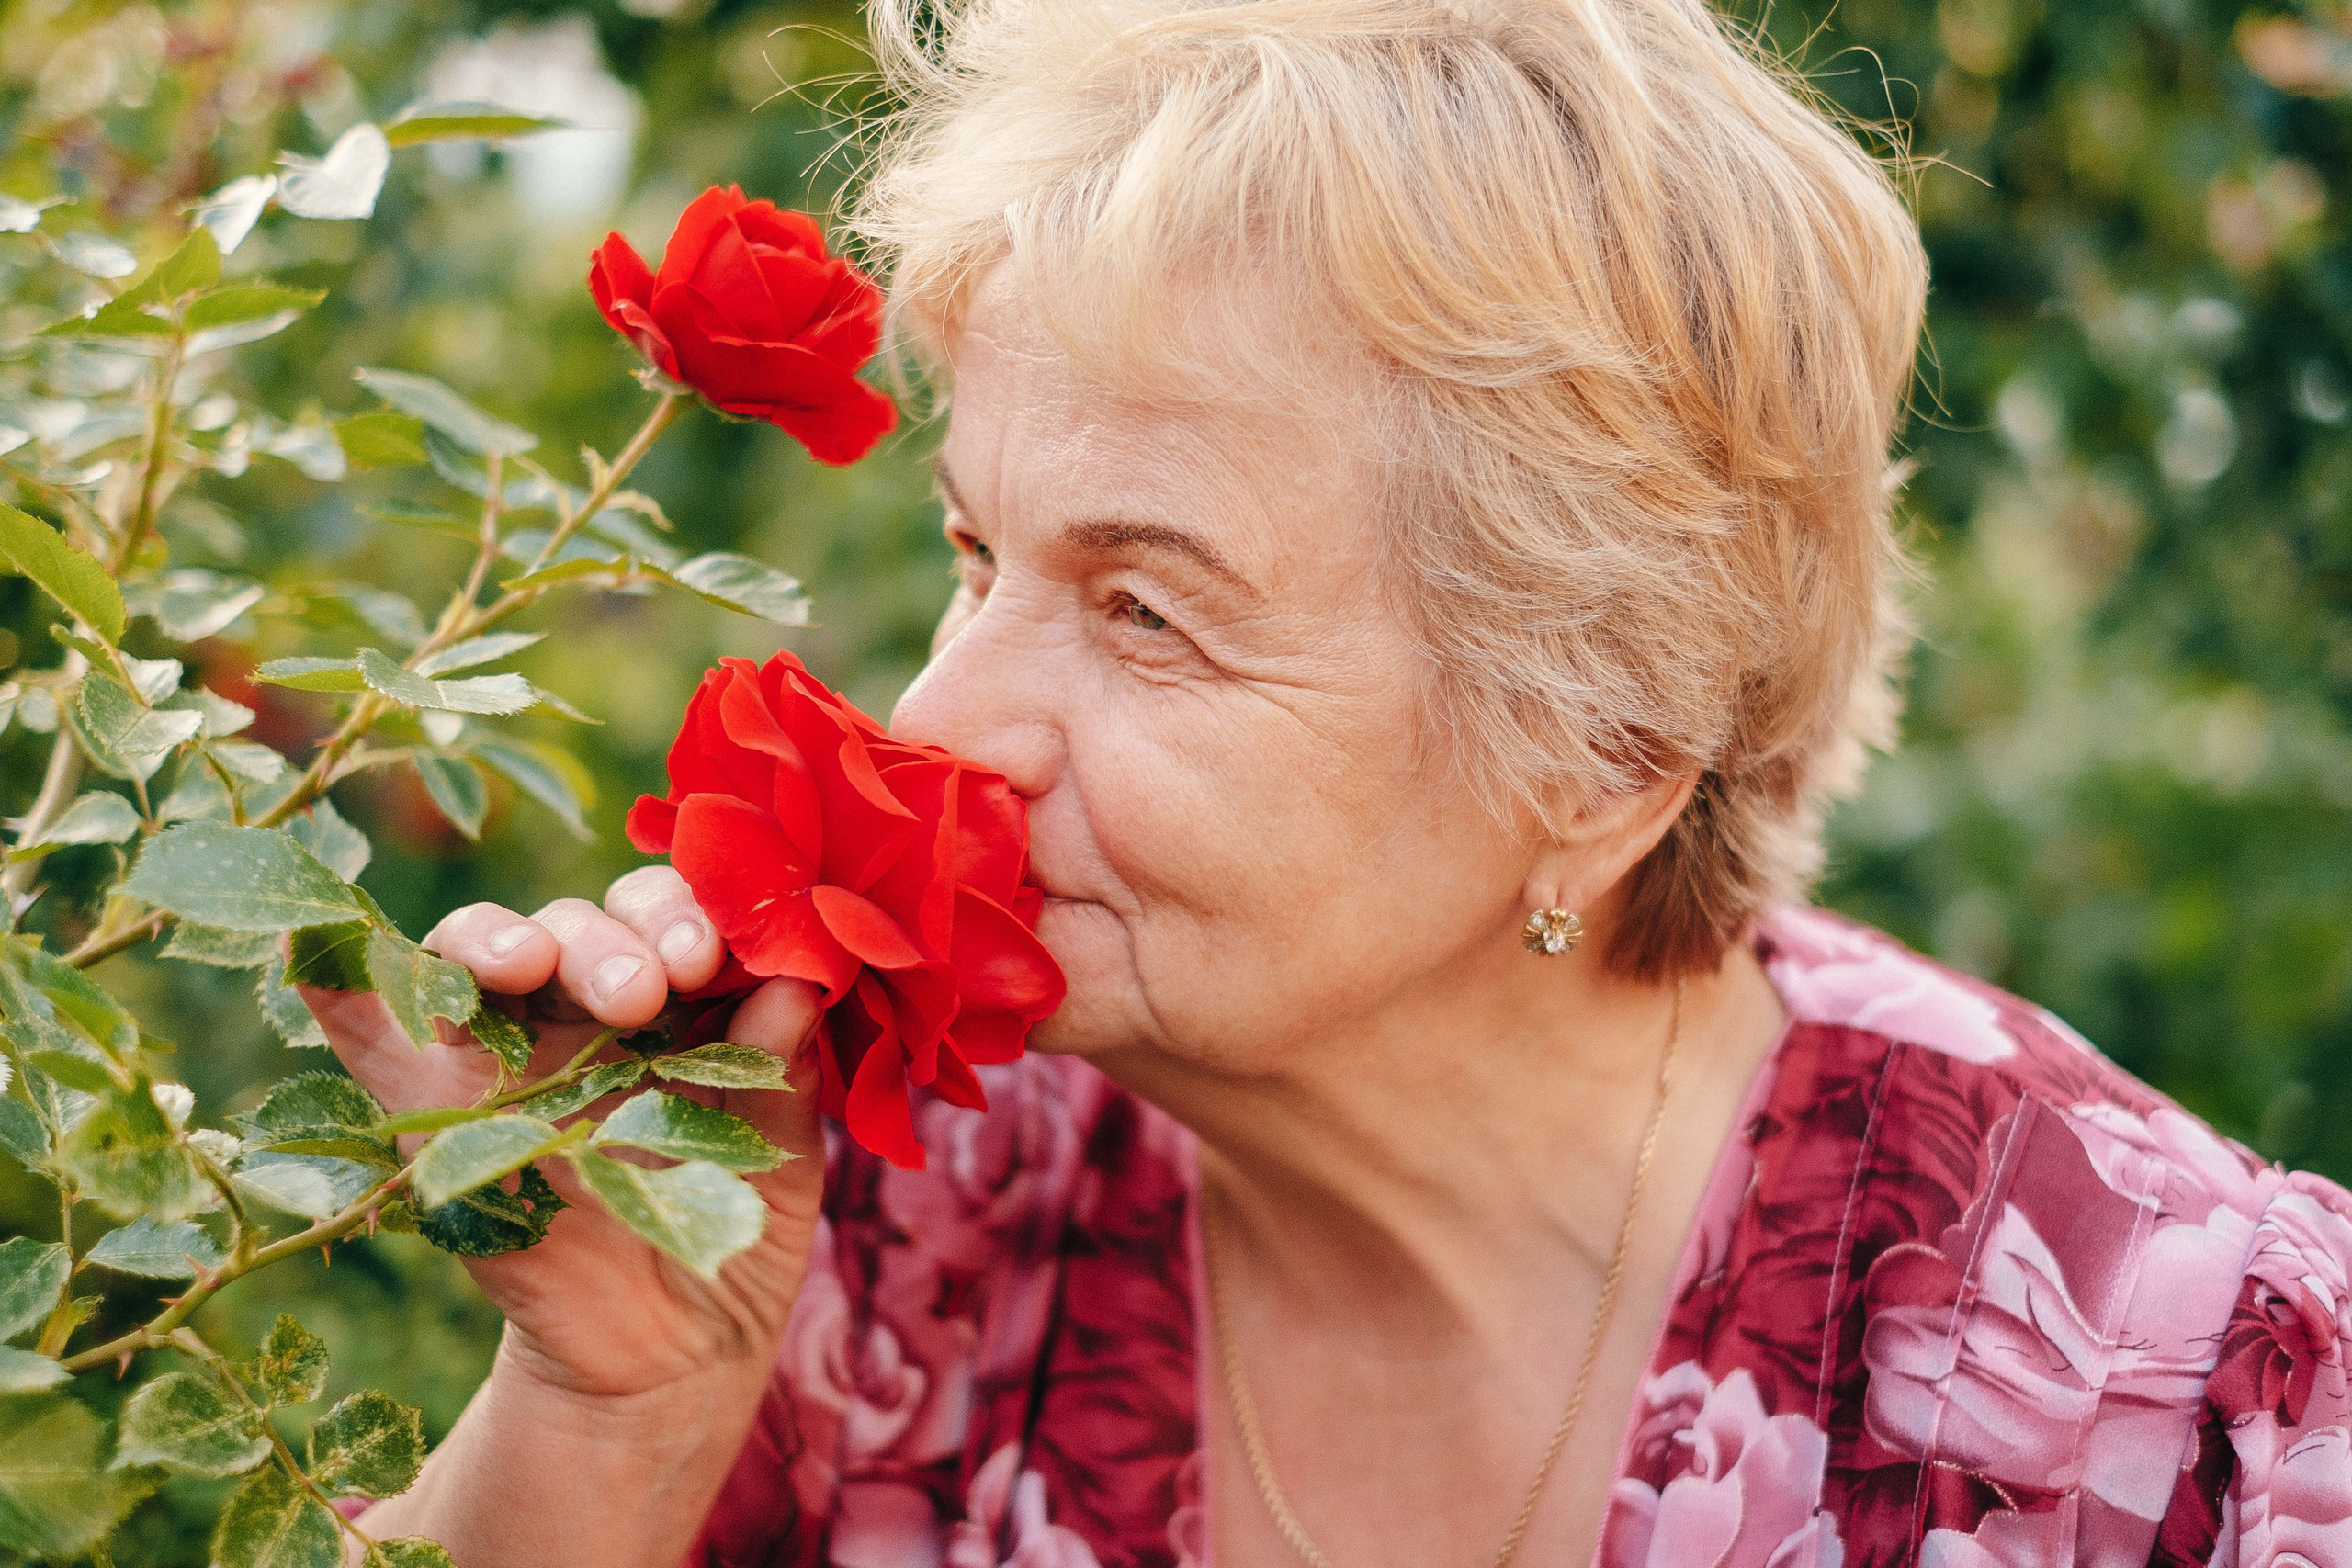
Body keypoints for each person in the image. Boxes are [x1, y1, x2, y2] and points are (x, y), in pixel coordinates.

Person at [308, 0, 2352, 1562]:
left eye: (1144, 614)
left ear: (1602, 748)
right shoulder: (878, 1196)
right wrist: (613, 1413)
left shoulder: (2172, 1403)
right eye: (971, 553)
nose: (934, 722)